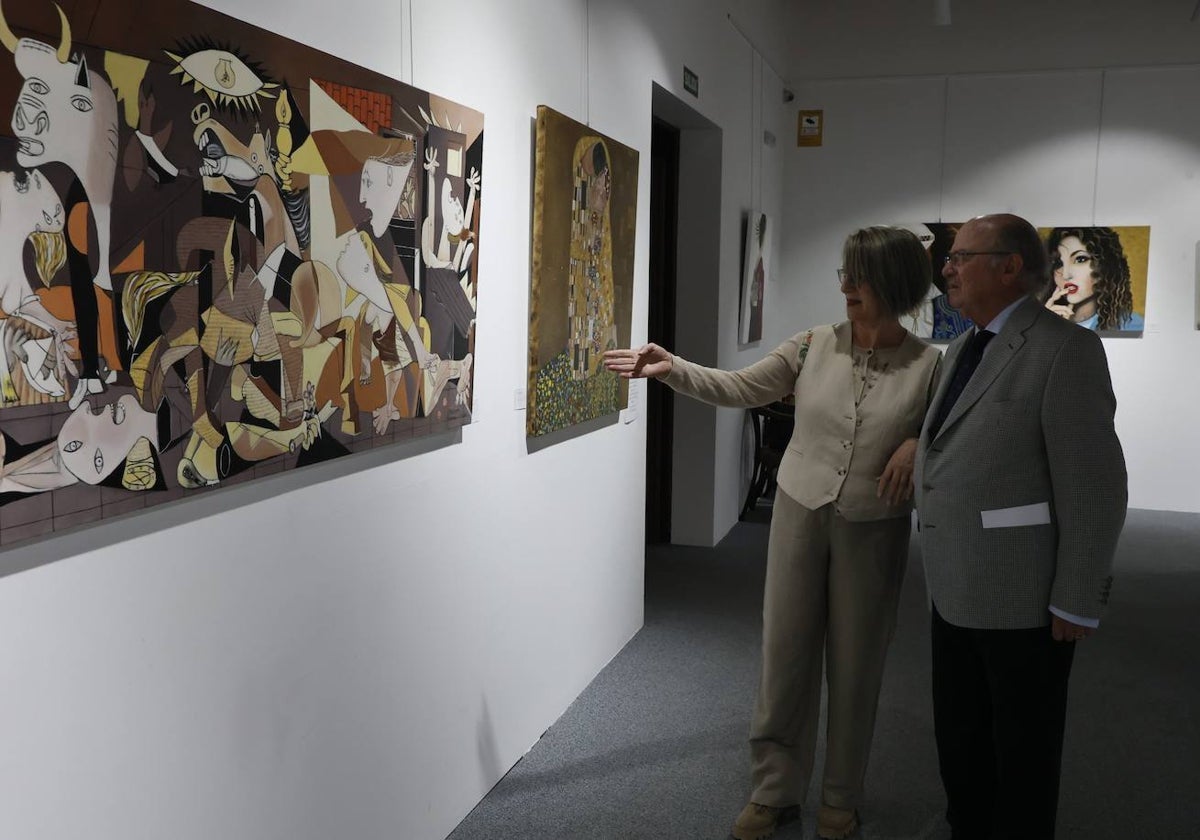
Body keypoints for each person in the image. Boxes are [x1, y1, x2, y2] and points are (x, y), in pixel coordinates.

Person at [604, 226, 942, 840]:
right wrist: (671, 368)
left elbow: (949, 435)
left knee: (857, 663)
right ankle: (774, 790)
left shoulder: (930, 366)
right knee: (784, 654)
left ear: (894, 283)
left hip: (874, 527)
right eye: (845, 273)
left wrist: (918, 444)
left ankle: (841, 797)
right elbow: (742, 387)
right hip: (798, 514)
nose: (846, 286)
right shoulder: (814, 345)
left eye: (859, 276)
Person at [914, 213, 1127, 840]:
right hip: (953, 585)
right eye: (949, 258)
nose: (947, 269)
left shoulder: (1068, 350)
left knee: (1023, 754)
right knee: (961, 738)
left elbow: (1094, 486)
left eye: (960, 257)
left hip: (1025, 596)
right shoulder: (962, 345)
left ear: (1008, 266)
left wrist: (1079, 598)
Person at [1040, 226, 1144, 333]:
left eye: (1080, 259)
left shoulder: (1133, 326)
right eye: (1059, 263)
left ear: (1103, 267)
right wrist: (1045, 327)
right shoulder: (1040, 322)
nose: (1066, 275)